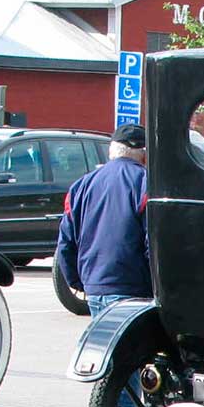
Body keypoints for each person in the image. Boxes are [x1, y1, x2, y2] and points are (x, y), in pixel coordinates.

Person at [56, 125, 151, 319]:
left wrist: (78, 281)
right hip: (132, 288)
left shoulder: (81, 186)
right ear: (144, 155)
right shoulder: (146, 183)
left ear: (112, 150)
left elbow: (65, 243)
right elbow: (154, 242)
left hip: (94, 287)